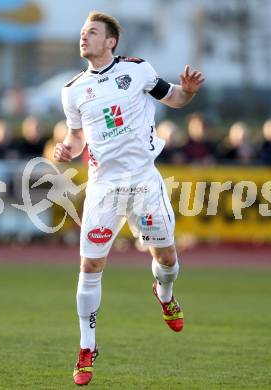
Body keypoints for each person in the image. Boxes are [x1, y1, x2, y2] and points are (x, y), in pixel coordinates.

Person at [54, 11, 205, 386]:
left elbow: (174, 99)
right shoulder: (71, 90)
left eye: (92, 32)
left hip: (143, 183)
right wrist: (67, 149)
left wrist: (188, 91)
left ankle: (164, 292)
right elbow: (76, 137)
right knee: (90, 266)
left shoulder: (137, 70)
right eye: (82, 31)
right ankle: (87, 346)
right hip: (104, 188)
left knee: (167, 260)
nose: (84, 36)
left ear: (111, 42)